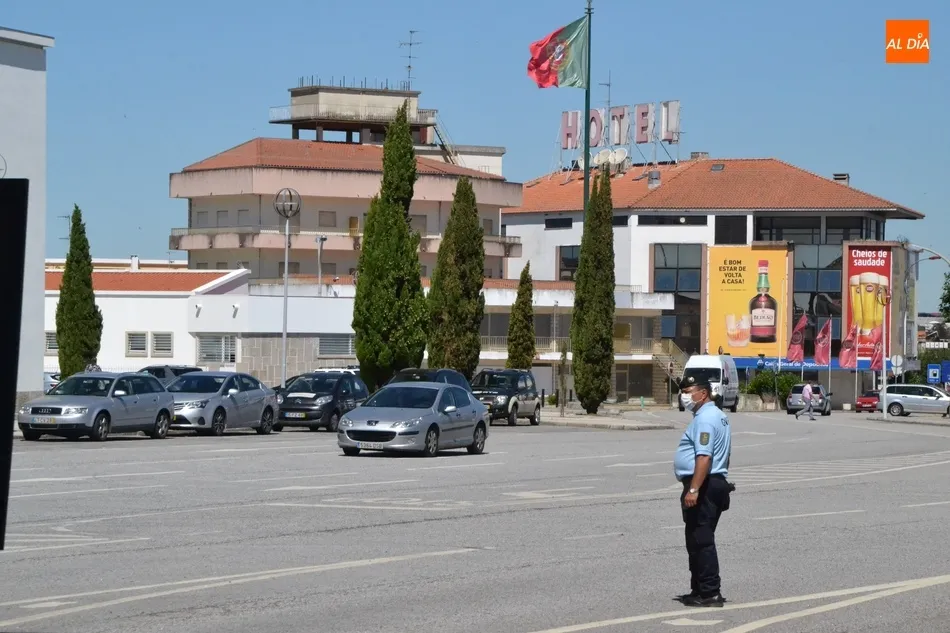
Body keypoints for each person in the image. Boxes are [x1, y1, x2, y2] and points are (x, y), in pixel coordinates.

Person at [673, 375, 734, 608]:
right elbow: (724, 454)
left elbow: (705, 456)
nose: (684, 396)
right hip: (713, 482)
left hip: (704, 485)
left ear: (703, 393)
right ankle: (699, 589)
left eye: (689, 391)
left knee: (701, 540)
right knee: (696, 539)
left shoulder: (706, 419)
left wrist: (694, 488)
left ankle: (709, 592)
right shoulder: (717, 415)